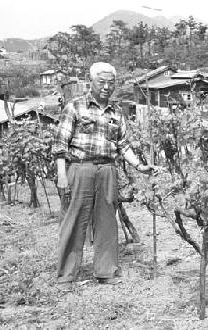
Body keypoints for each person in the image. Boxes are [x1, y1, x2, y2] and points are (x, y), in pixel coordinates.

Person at [52, 62, 153, 290]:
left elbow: (123, 145)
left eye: (111, 82)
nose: (107, 87)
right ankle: (66, 275)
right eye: (102, 82)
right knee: (75, 220)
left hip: (107, 169)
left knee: (107, 220)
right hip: (80, 168)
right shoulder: (75, 107)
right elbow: (60, 144)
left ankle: (106, 271)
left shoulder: (117, 112)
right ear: (92, 83)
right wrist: (62, 174)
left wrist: (139, 166)